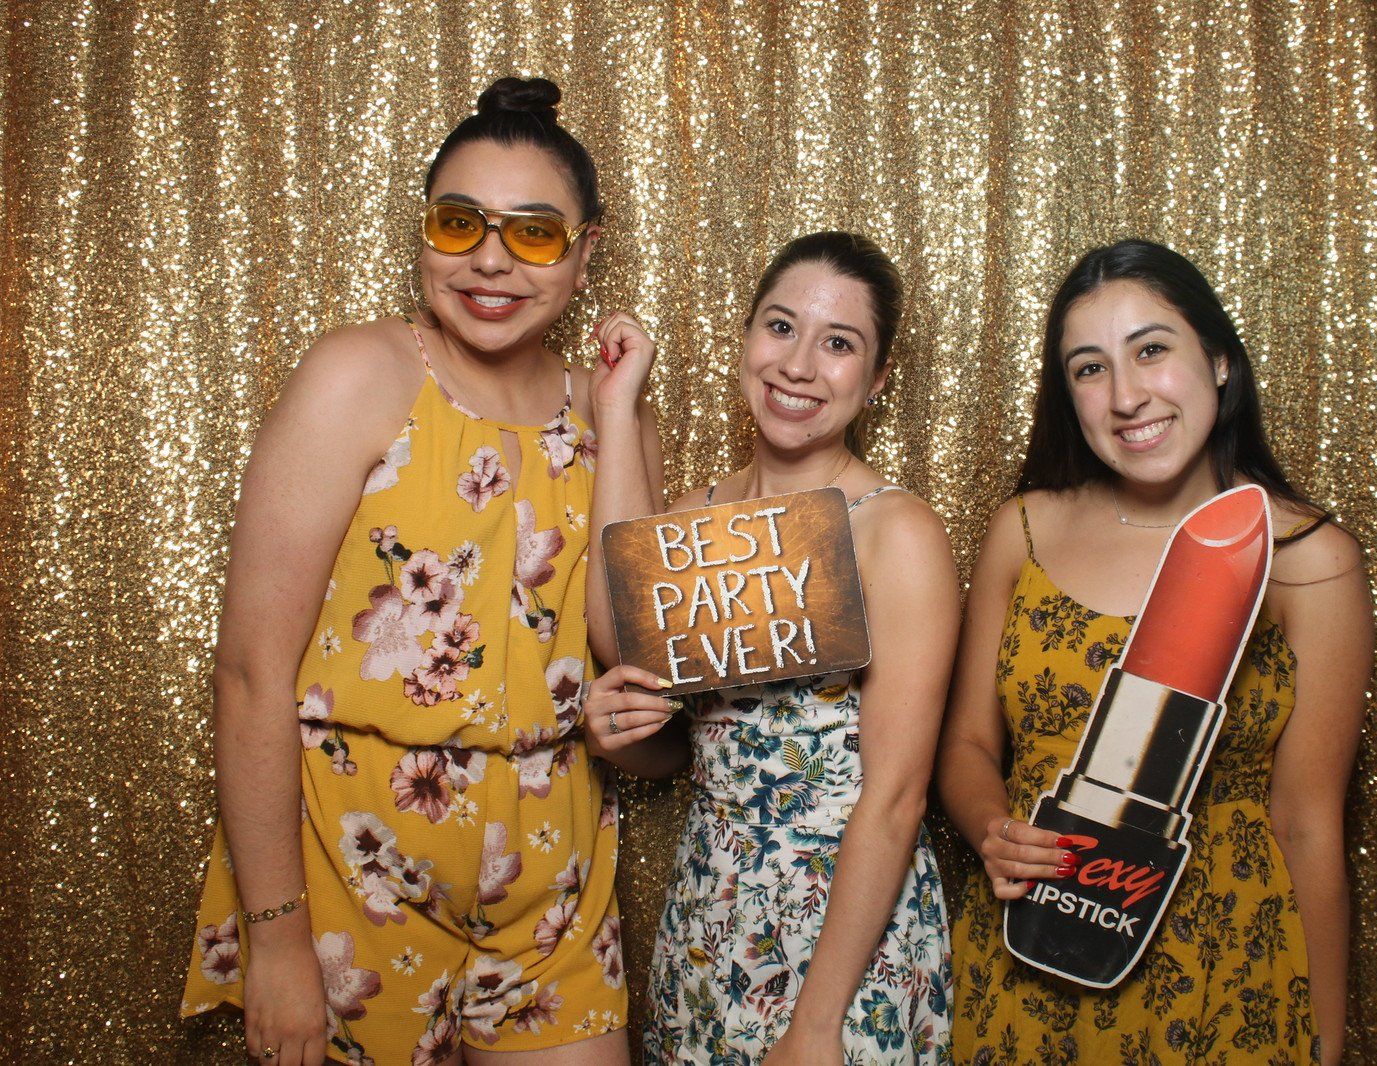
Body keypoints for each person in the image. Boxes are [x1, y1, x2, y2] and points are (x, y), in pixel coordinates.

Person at [181, 76, 663, 1065]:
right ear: (426, 232)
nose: (490, 258)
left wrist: (616, 415)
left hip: (553, 874)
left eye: (533, 233)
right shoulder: (358, 377)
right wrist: (275, 939)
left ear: (586, 250)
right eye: (459, 223)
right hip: (353, 877)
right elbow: (251, 673)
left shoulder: (613, 409)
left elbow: (631, 649)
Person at [938, 239, 1372, 1064]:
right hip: (1035, 946)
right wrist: (992, 826)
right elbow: (966, 744)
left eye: (1151, 350)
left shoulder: (1308, 559)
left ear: (1217, 361)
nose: (1128, 396)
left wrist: (1325, 1038)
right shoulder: (1024, 529)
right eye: (1090, 368)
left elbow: (1309, 822)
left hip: (1226, 962)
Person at [583, 232, 958, 1064]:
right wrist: (617, 409)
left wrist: (817, 1024)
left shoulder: (895, 534)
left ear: (878, 378)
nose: (798, 364)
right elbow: (625, 649)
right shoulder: (694, 519)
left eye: (838, 344)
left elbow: (896, 797)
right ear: (747, 339)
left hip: (847, 943)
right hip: (711, 921)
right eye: (781, 328)